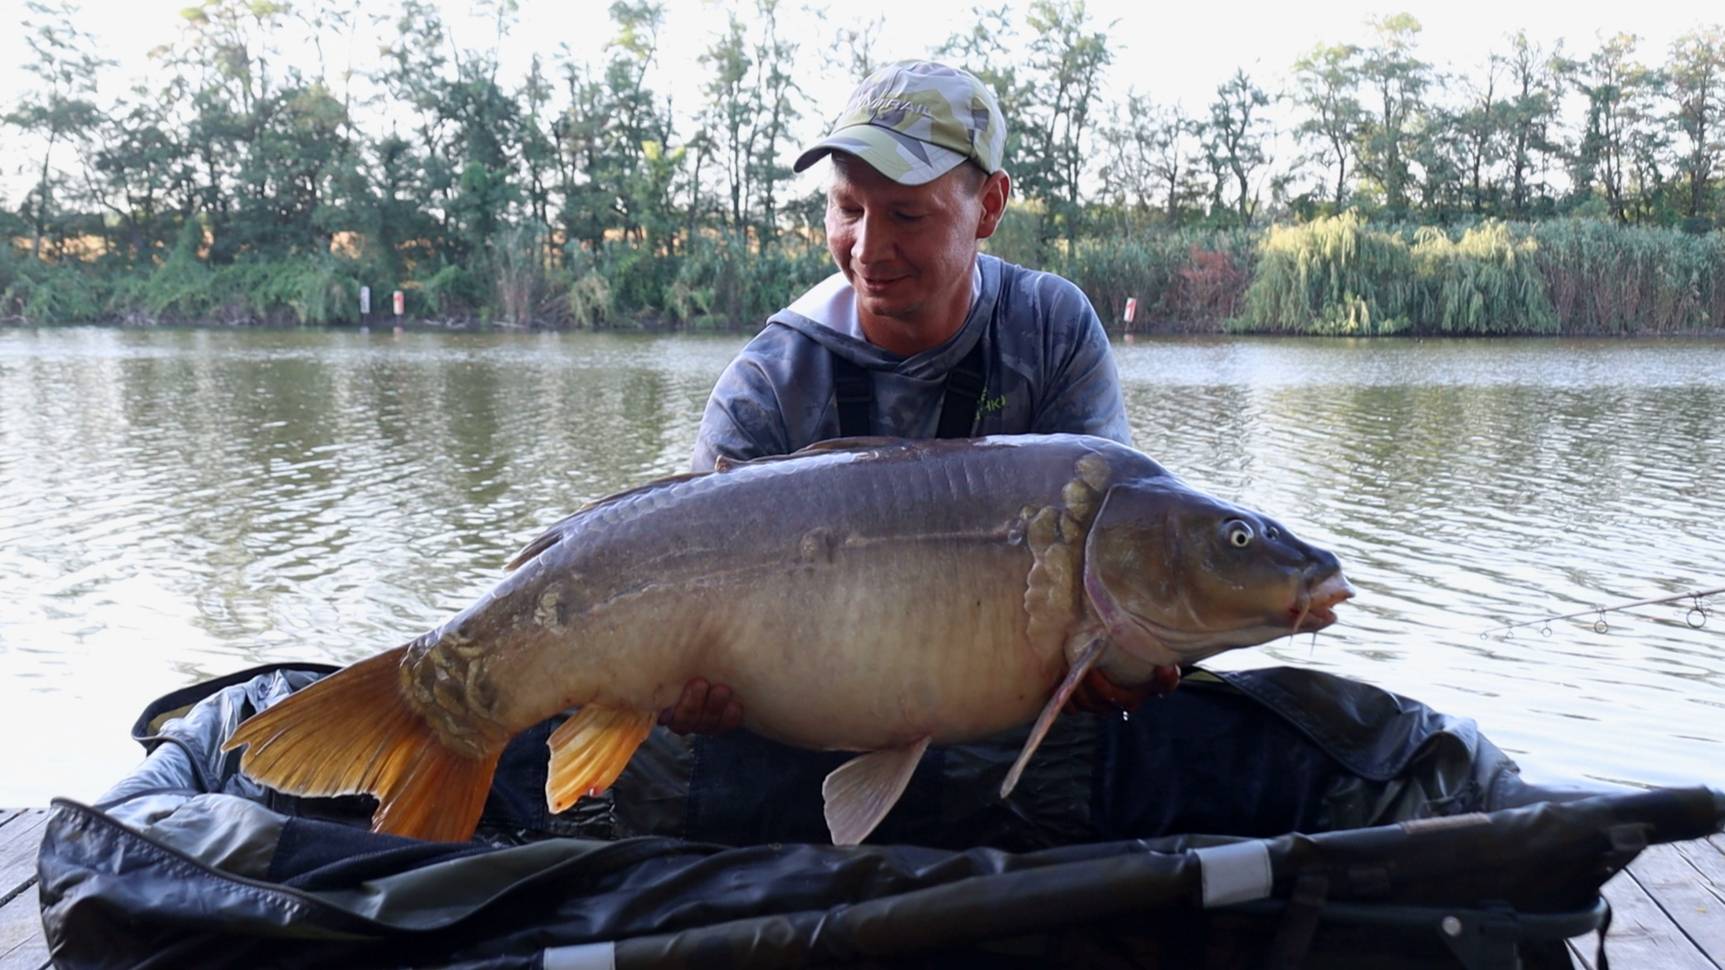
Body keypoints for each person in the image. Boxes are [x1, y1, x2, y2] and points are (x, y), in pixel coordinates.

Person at [650, 62, 1173, 843]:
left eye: (905, 214)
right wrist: (673, 691)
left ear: (987, 205)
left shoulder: (1050, 330)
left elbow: (1102, 555)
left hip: (993, 718)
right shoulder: (768, 381)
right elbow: (686, 574)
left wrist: (1120, 659)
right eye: (847, 208)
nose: (868, 247)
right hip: (792, 722)